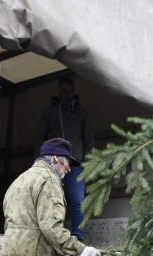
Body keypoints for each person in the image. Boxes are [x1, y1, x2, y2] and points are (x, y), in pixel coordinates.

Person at [36, 75, 95, 241]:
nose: (67, 93)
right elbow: (39, 138)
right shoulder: (49, 112)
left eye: (70, 90)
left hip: (75, 164)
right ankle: (52, 235)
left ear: (74, 91)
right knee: (51, 199)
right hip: (53, 164)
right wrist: (37, 162)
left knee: (78, 201)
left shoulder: (82, 113)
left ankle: (78, 237)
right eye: (64, 90)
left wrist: (90, 165)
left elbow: (89, 139)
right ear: (59, 89)